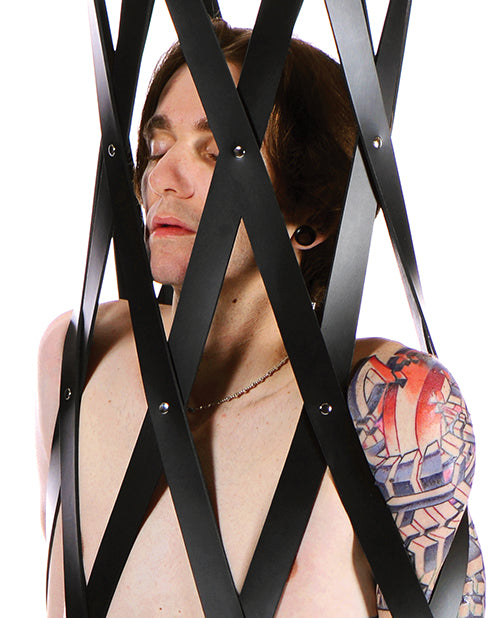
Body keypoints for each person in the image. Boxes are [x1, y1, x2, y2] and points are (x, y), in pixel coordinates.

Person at [36, 20, 485, 617]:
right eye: (158, 147)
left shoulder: (394, 401)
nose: (162, 179)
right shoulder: (77, 355)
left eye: (217, 152)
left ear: (311, 220)